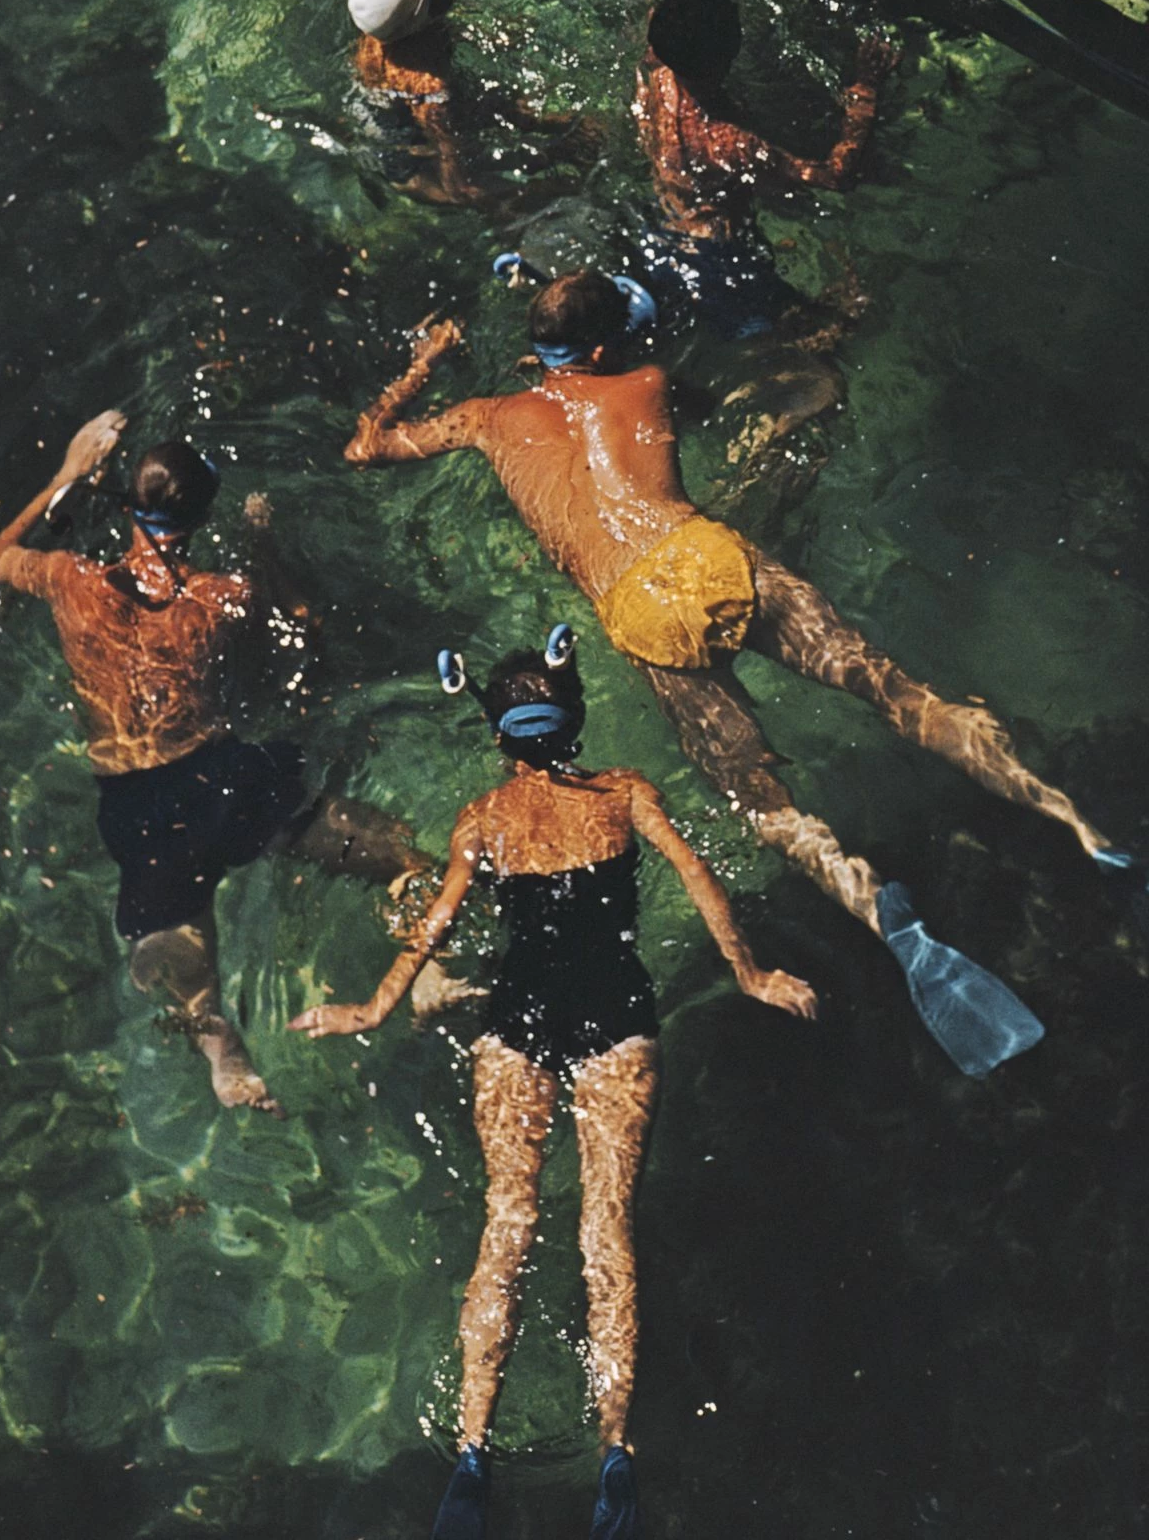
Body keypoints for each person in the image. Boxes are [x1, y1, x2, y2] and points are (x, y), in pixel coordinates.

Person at [343, 284, 1149, 1072]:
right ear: (603, 345)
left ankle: (895, 928)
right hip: (708, 556)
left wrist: (426, 359)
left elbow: (365, 447)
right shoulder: (648, 380)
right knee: (895, 693)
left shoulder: (485, 420)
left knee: (760, 798)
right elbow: (725, 406)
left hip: (636, 609)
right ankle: (1092, 839)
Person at [291, 632, 815, 1540]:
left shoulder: (482, 818)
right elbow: (696, 880)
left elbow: (435, 929)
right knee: (603, 1229)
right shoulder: (624, 794)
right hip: (614, 1020)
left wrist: (373, 1011)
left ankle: (471, 1452)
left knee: (509, 1223)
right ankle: (615, 1449)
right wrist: (749, 975)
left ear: (499, 737)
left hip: (517, 1028)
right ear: (572, 723)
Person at [0, 411, 455, 1116]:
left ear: (126, 508)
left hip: (136, 802)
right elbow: (303, 624)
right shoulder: (223, 596)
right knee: (401, 857)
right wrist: (265, 545)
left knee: (182, 948)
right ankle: (432, 968)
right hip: (225, 779)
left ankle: (222, 1053)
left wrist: (67, 476)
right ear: (200, 517)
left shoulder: (68, 580)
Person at [633, 0, 892, 342]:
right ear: (729, 53)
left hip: (661, 230)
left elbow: (670, 7)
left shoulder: (657, 69)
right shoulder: (727, 140)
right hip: (718, 260)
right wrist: (867, 91)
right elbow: (835, 176)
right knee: (841, 321)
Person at [347, 0, 600, 208]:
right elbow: (459, 185)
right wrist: (556, 190)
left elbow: (441, 23)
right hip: (412, 166)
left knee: (537, 116)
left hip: (400, 107)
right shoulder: (431, 90)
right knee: (485, 187)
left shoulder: (382, 28)